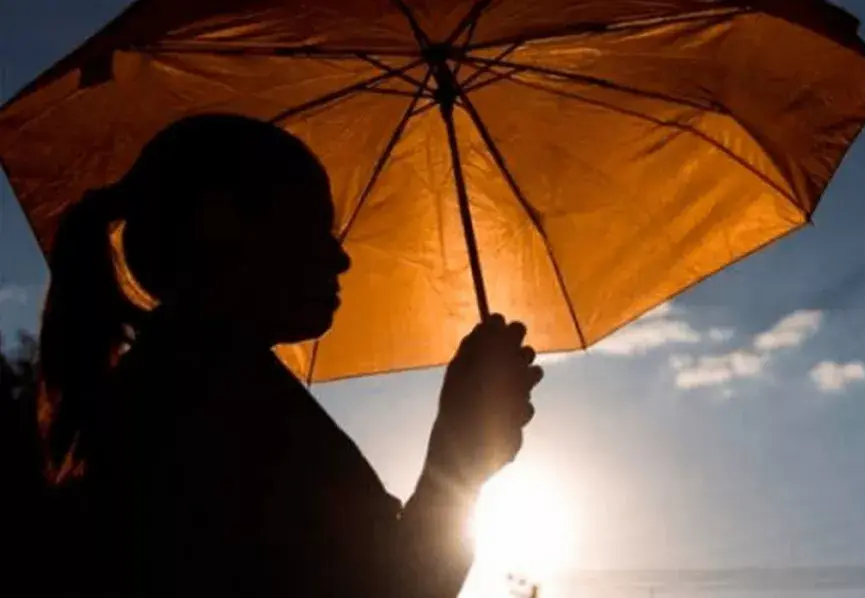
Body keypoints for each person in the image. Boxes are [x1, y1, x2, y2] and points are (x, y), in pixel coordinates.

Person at [38, 114, 542, 597]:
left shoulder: (187, 383)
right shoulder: (209, 403)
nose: (340, 257)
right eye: (313, 227)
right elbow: (390, 588)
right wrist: (459, 458)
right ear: (221, 222)